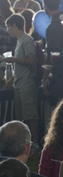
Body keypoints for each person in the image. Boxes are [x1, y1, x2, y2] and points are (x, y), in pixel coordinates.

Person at [3, 15, 39, 145]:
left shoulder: (27, 40)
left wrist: (14, 60)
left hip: (27, 82)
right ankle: (24, 142)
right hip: (19, 82)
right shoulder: (19, 41)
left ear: (14, 25)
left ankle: (35, 143)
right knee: (21, 115)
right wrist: (12, 80)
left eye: (8, 26)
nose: (7, 30)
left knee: (30, 115)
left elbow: (31, 60)